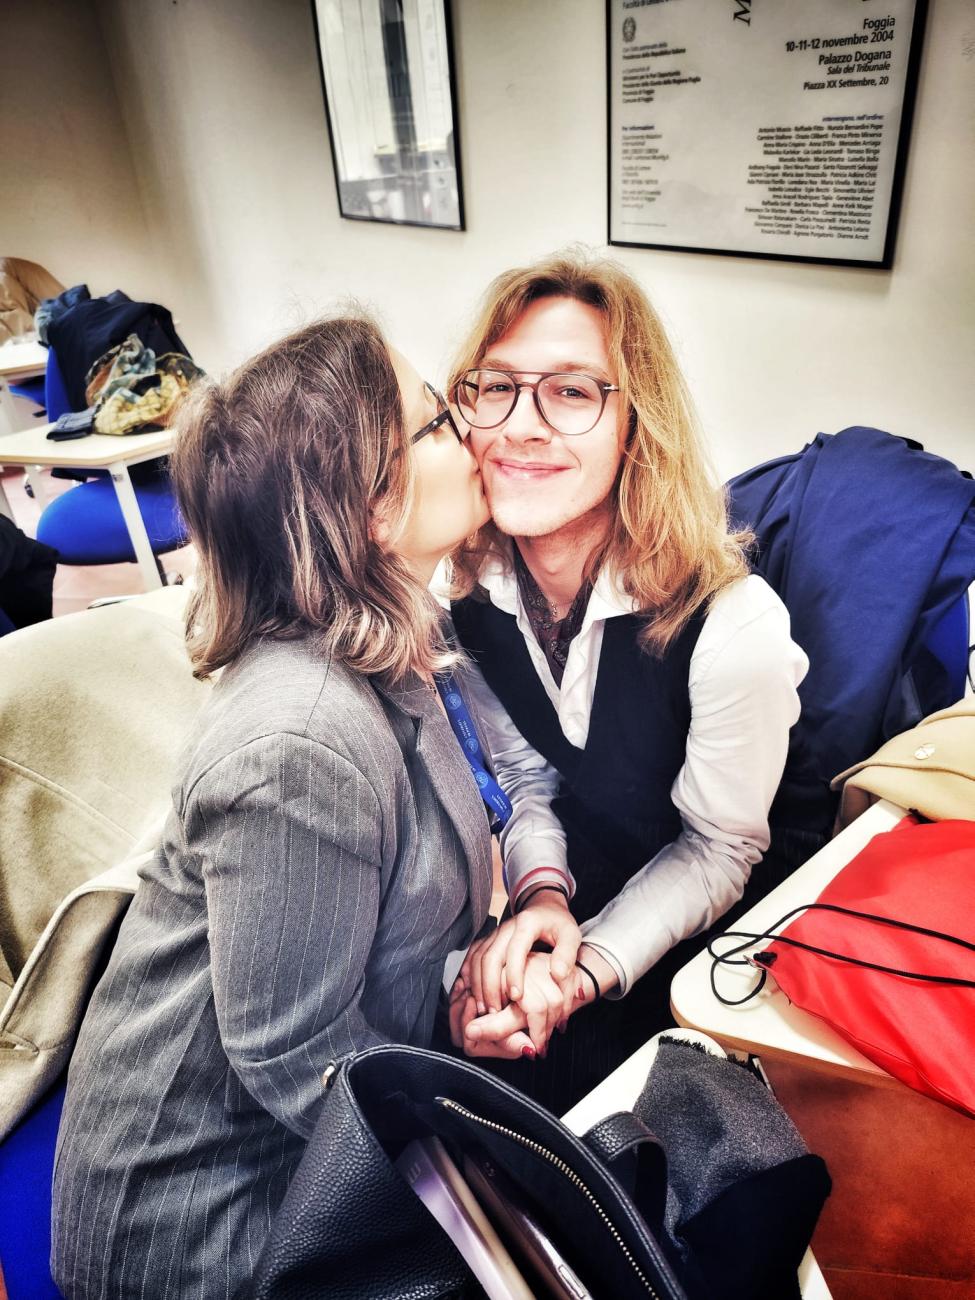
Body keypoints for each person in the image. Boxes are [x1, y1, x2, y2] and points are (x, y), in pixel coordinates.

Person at [50, 315, 508, 1298]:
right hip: (203, 1217)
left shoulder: (393, 636)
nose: (470, 429)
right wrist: (483, 1179)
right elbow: (295, 1055)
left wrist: (464, 987)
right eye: (437, 419)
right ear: (371, 508)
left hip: (311, 1135)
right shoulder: (301, 740)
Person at [445, 253, 815, 1113]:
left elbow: (719, 851)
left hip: (724, 912)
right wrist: (540, 895)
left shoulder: (734, 626)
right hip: (589, 861)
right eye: (496, 386)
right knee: (476, 1047)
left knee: (593, 1110)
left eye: (572, 392)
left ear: (635, 426)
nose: (521, 426)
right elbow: (526, 777)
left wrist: (581, 972)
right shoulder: (468, 594)